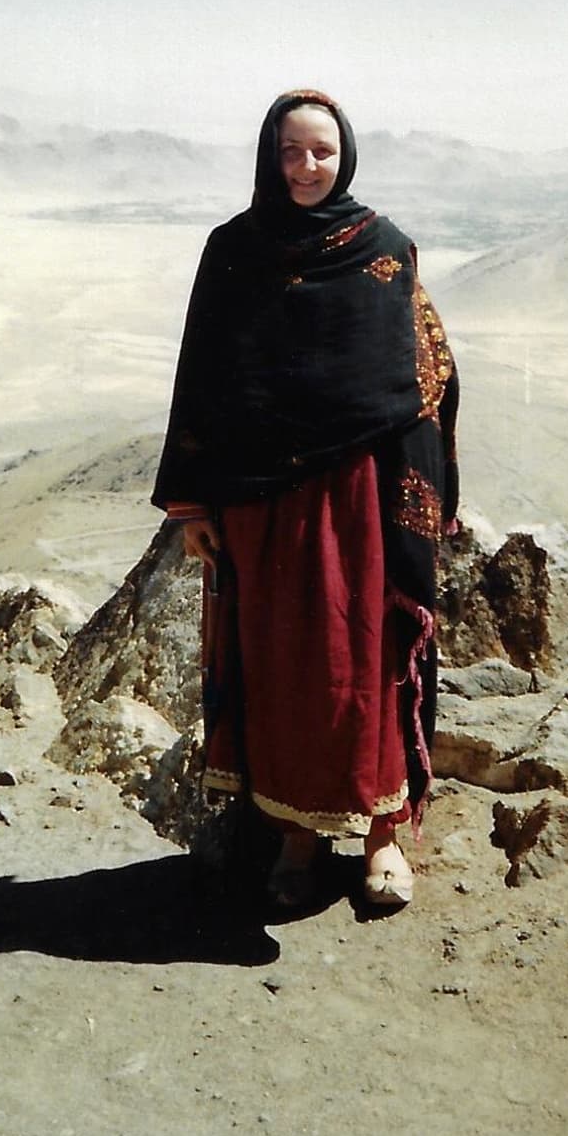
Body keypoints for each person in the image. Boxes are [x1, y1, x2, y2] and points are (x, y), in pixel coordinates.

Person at [152, 90, 458, 910]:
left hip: (357, 498)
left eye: (321, 151)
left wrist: (417, 507)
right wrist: (194, 507)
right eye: (291, 151)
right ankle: (295, 835)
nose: (307, 167)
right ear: (268, 155)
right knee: (284, 665)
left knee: (368, 656)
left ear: (346, 154)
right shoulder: (231, 252)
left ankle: (385, 836)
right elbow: (203, 379)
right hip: (259, 501)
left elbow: (426, 378)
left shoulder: (383, 249)